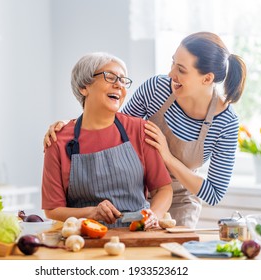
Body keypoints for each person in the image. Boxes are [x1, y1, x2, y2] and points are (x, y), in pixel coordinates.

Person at [44, 32, 247, 228]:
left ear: (207, 78)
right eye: (173, 63)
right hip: (136, 189)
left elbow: (214, 193)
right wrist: (71, 126)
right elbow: (112, 123)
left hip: (178, 198)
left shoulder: (226, 123)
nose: (171, 74)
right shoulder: (157, 89)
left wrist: (167, 157)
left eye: (181, 70)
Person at [42, 52, 173, 229]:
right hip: (85, 239)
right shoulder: (58, 140)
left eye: (123, 80)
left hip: (138, 234)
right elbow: (53, 209)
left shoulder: (140, 130)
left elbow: (163, 189)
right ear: (84, 87)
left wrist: (153, 215)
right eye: (110, 77)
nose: (119, 85)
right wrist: (91, 213)